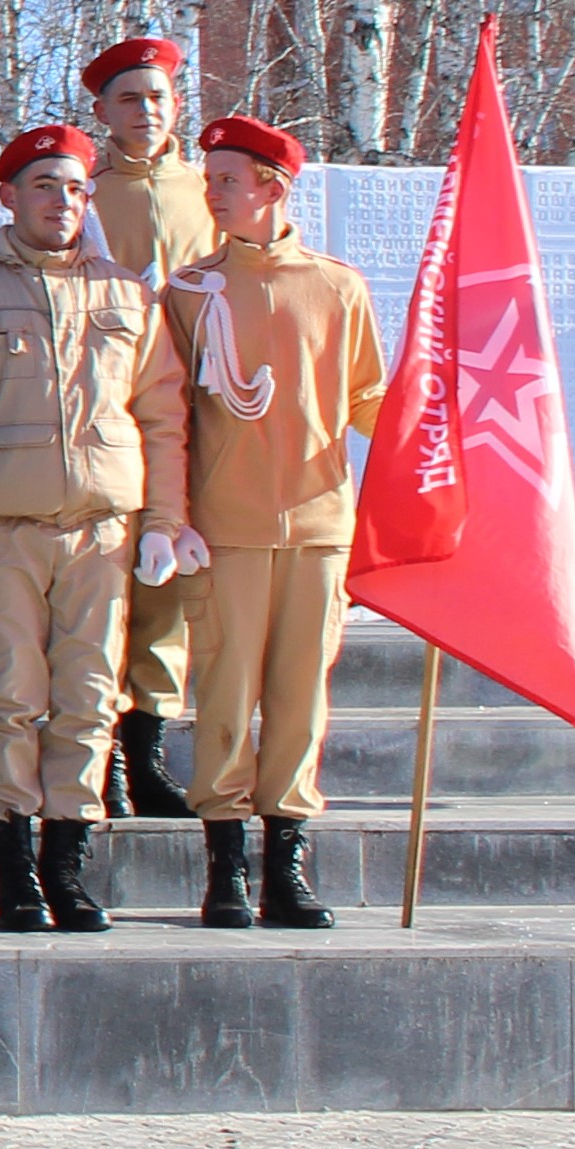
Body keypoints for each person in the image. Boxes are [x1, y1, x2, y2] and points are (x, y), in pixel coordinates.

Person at [0, 124, 189, 934]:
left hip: (102, 533)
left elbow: (162, 417)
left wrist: (164, 521)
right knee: (9, 698)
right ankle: (13, 873)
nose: (63, 201)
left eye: (76, 188)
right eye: (45, 185)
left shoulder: (126, 294)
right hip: (1, 526)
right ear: (9, 195)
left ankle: (69, 869)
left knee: (87, 701)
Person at [166, 114, 387, 932]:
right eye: (209, 177)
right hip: (225, 526)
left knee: (300, 701)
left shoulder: (336, 285)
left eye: (227, 177)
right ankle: (225, 866)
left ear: (272, 186)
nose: (212, 191)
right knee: (224, 692)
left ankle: (285, 865)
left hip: (320, 526)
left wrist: (429, 424)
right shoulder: (188, 291)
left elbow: (365, 396)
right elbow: (170, 411)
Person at [82, 34, 215, 819]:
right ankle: (99, 752)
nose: (145, 111)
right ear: (102, 111)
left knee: (168, 585)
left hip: (193, 413)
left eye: (158, 97)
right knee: (106, 584)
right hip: (106, 414)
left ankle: (148, 744)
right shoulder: (87, 195)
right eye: (129, 98)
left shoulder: (208, 189)